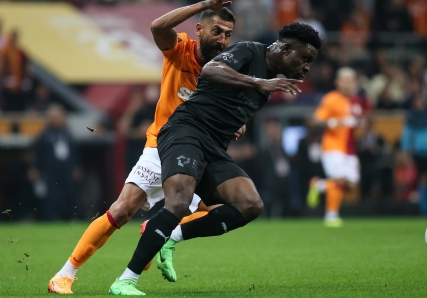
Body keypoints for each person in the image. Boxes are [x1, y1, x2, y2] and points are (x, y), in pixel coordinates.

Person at [108, 22, 321, 295]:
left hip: (213, 147)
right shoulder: (249, 52)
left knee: (250, 204)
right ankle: (126, 279)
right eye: (305, 58)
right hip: (186, 131)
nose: (306, 67)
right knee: (179, 201)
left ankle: (173, 235)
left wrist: (236, 125)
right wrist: (258, 81)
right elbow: (210, 70)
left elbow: (229, 104)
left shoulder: (273, 79)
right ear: (286, 48)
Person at [48, 2, 238, 294]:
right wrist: (204, 4)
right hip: (162, 145)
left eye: (228, 34)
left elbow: (233, 111)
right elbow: (157, 27)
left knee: (229, 207)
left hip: (196, 152)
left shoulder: (224, 67)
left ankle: (163, 232)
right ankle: (64, 274)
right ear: (199, 29)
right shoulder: (180, 50)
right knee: (123, 209)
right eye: (217, 31)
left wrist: (236, 123)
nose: (223, 40)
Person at [306, 67, 364, 227]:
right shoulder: (331, 99)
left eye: (351, 80)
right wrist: (332, 122)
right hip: (332, 147)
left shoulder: (356, 101)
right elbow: (315, 120)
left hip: (350, 150)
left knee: (351, 186)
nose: (348, 84)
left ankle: (318, 185)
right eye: (344, 80)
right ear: (337, 82)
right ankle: (331, 216)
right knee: (340, 180)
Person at [29, 104, 82, 221]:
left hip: (66, 169)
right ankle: (51, 218)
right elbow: (37, 153)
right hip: (51, 170)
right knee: (52, 195)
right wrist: (34, 168)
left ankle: (70, 217)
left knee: (69, 193)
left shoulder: (68, 134)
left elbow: (74, 152)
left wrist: (76, 167)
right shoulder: (44, 135)